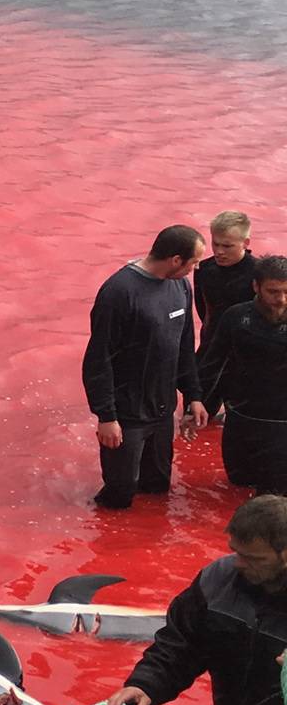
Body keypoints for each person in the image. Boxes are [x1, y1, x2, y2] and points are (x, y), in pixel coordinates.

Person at [101, 495, 286, 705]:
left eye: (253, 558)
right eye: (236, 552)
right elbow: (182, 644)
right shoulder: (216, 582)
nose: (239, 563)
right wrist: (147, 684)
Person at [81, 225, 209, 511]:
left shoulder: (181, 286)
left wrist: (193, 397)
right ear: (176, 260)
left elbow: (184, 346)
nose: (196, 268)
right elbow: (98, 359)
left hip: (162, 411)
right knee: (120, 493)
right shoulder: (118, 293)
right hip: (127, 414)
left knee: (157, 487)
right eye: (194, 262)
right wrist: (106, 416)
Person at [200, 256, 287, 494]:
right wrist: (196, 403)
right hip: (241, 417)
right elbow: (213, 362)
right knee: (237, 482)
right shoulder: (236, 317)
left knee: (275, 495)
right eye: (273, 291)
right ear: (256, 287)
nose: (281, 300)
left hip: (282, 426)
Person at [198, 211, 258, 350]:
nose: (219, 251)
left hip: (246, 348)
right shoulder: (205, 268)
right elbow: (204, 310)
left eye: (227, 246)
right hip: (210, 345)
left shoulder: (259, 273)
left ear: (245, 243)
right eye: (215, 244)